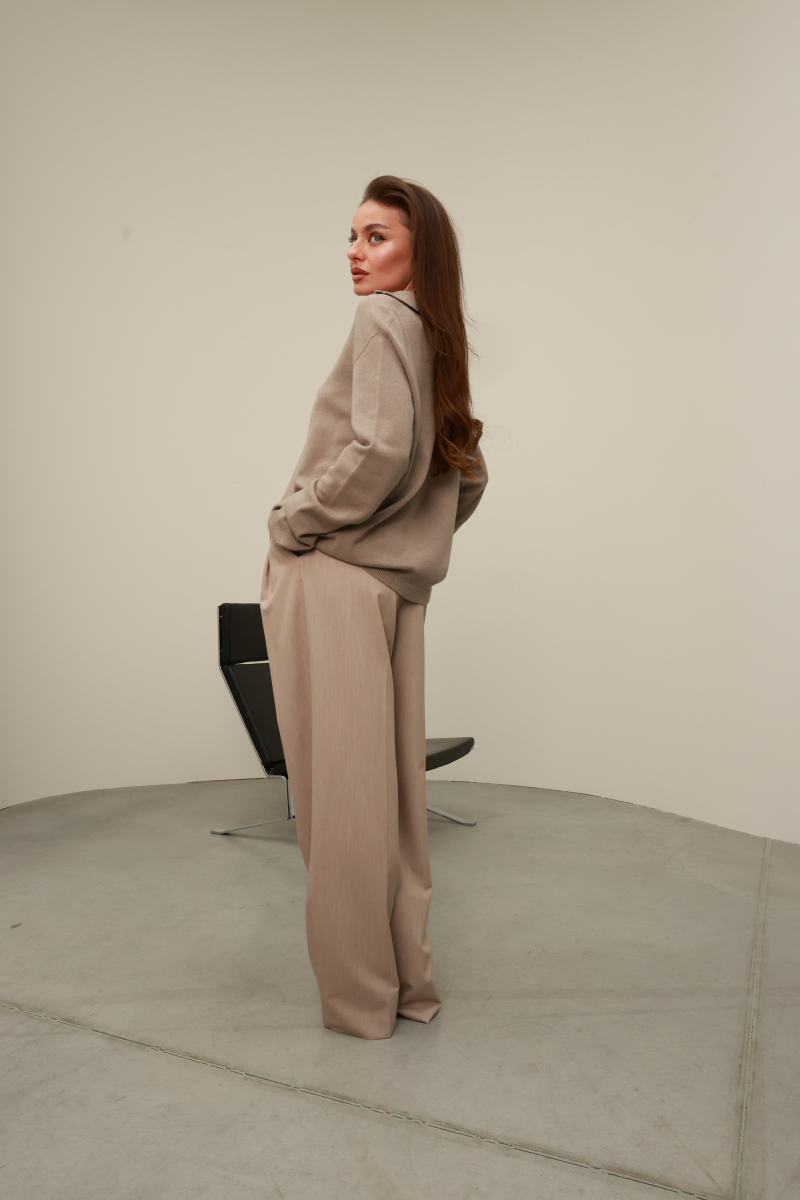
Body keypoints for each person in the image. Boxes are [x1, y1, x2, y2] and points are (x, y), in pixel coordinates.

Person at [260, 175, 488, 1040]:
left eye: (377, 236)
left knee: (340, 804)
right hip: (396, 589)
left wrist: (298, 519)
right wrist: (412, 537)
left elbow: (382, 448)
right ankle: (406, 987)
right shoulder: (438, 336)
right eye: (351, 237)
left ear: (421, 249)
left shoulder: (381, 320)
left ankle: (360, 1003)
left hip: (333, 579)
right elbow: (468, 472)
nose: (355, 254)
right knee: (390, 804)